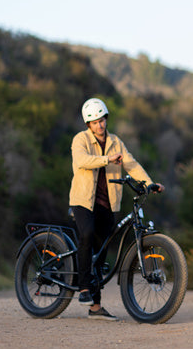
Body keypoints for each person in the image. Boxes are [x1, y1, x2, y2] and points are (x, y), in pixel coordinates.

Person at [69, 98, 164, 321]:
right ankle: (84, 289)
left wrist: (149, 183)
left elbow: (131, 164)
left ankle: (95, 307)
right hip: (83, 201)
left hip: (107, 204)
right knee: (87, 235)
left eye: (102, 120)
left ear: (106, 119)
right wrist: (107, 159)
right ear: (88, 125)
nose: (100, 125)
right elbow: (82, 161)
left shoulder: (116, 142)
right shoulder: (80, 140)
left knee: (101, 252)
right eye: (94, 122)